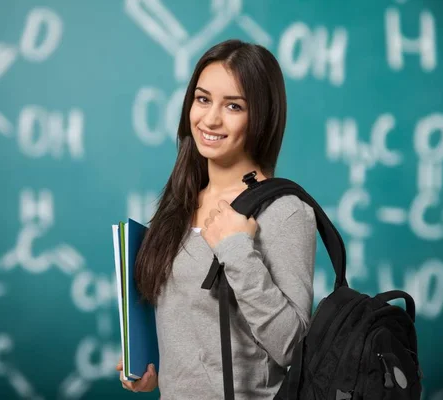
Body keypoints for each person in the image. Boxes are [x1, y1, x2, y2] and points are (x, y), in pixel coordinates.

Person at [116, 39, 317, 399]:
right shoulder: (179, 205)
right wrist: (152, 367)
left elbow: (294, 348)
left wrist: (237, 250)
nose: (210, 119)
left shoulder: (285, 211)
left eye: (233, 106)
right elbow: (195, 335)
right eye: (203, 99)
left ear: (261, 116)